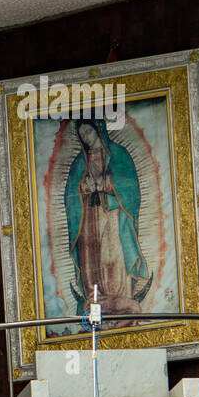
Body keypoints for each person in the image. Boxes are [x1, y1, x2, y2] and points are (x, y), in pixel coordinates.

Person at [63, 118, 152, 317]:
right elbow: (70, 196)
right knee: (92, 256)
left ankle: (120, 297)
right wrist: (83, 187)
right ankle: (96, 298)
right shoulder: (80, 162)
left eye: (89, 132)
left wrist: (107, 183)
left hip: (113, 215)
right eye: (82, 134)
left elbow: (131, 187)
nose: (86, 138)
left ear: (98, 130)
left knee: (113, 254)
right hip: (89, 218)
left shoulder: (118, 155)